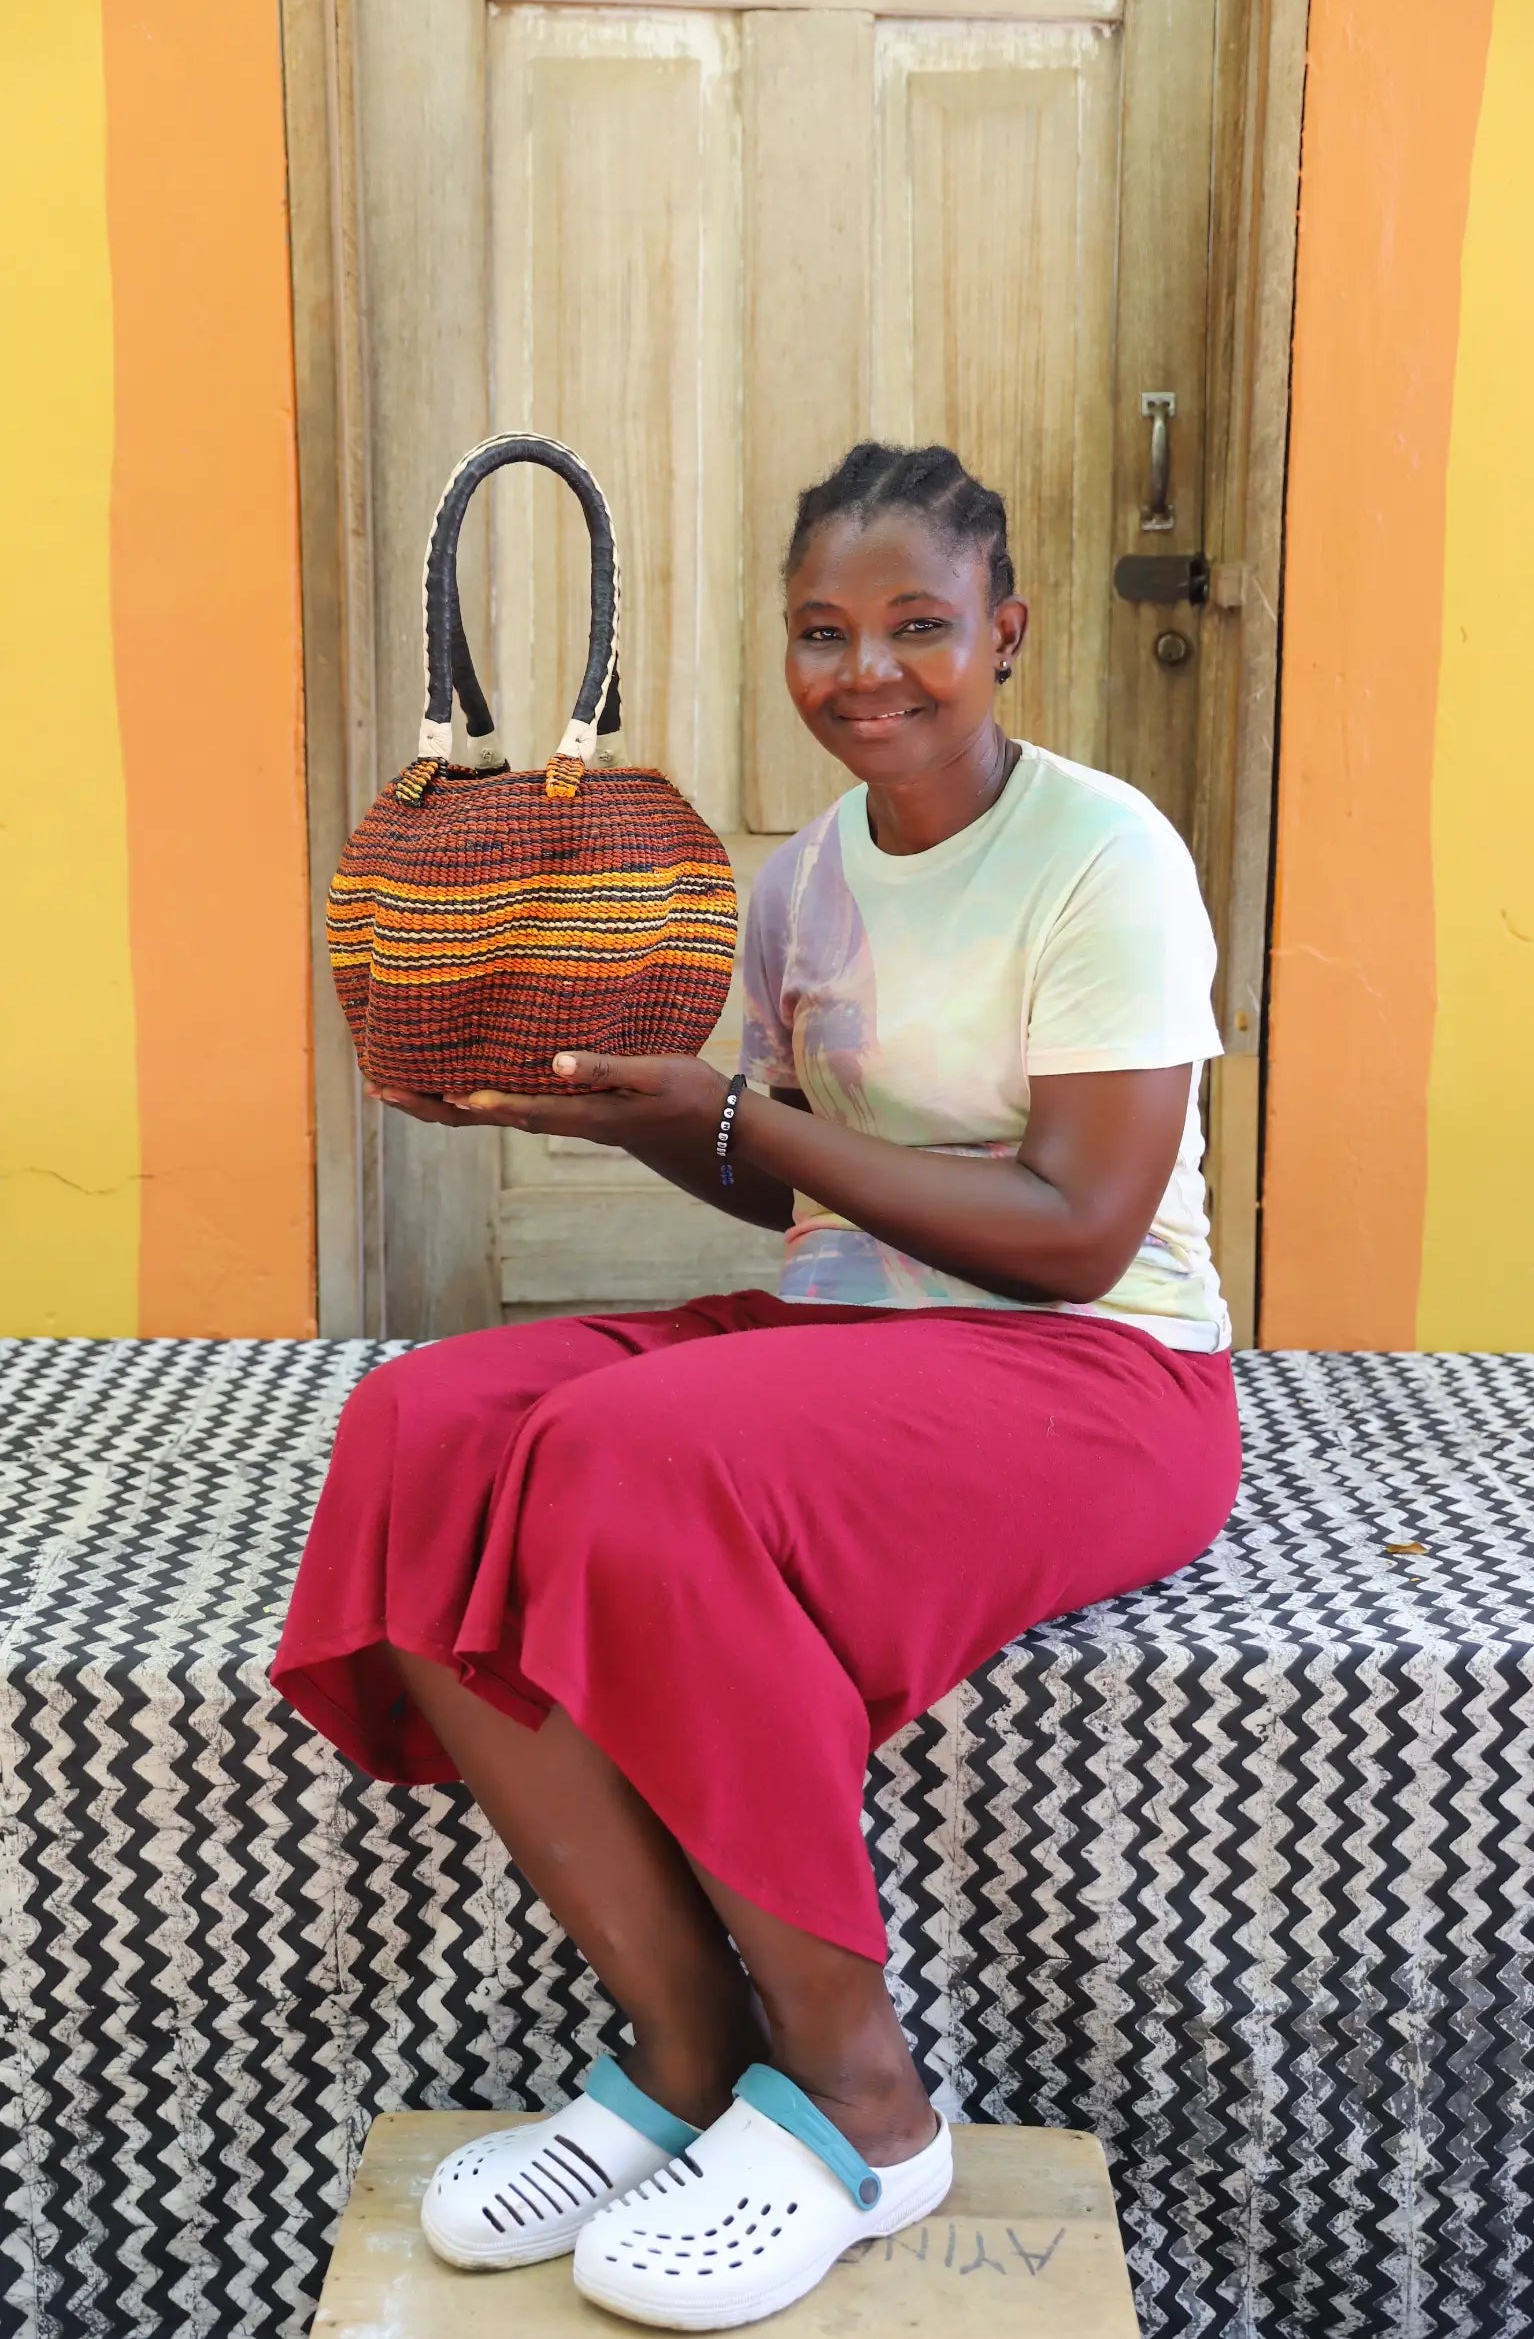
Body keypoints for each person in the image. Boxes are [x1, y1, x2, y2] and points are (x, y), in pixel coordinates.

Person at [272, 441, 1241, 2329]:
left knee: (634, 1459)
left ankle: (867, 2099)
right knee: (422, 1430)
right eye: (822, 632)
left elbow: (1078, 1231)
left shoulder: (1105, 853)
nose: (866, 671)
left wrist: (730, 1110)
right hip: (850, 1342)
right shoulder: (798, 882)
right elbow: (790, 1177)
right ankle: (689, 2047)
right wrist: (619, 1110)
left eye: (916, 626)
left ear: (1007, 633)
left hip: (1102, 1373)